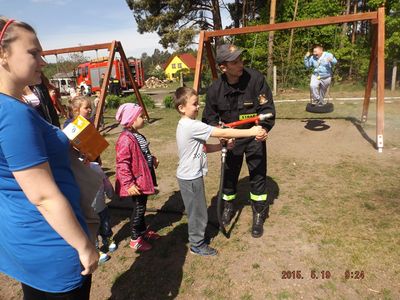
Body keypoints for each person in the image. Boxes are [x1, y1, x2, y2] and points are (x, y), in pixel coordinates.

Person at [0, 16, 98, 299]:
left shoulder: (11, 106)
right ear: (3, 54)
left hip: (24, 241)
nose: (42, 61)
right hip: (53, 243)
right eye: (33, 52)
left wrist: (61, 143)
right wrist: (84, 246)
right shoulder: (13, 114)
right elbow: (42, 195)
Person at [175, 87, 267, 255]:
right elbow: (222, 131)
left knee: (198, 209)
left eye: (198, 103)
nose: (198, 107)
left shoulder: (185, 125)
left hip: (189, 176)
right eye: (194, 104)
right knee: (199, 212)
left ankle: (197, 238)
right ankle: (197, 245)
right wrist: (251, 131)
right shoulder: (192, 125)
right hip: (190, 178)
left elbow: (201, 148)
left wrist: (220, 146)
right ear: (181, 108)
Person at [202, 44, 275, 238]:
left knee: (258, 175)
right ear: (223, 67)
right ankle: (228, 206)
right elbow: (208, 119)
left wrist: (264, 129)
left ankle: (259, 212)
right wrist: (222, 133)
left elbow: (267, 111)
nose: (240, 64)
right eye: (235, 62)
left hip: (254, 137)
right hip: (231, 140)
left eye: (240, 60)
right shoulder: (215, 90)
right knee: (229, 175)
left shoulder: (256, 80)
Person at [115, 103, 160, 252]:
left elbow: (142, 153)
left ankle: (142, 231)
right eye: (140, 116)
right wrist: (128, 184)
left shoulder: (137, 135)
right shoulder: (125, 139)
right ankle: (135, 239)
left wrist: (152, 158)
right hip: (136, 182)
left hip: (143, 177)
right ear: (131, 120)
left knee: (142, 206)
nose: (144, 118)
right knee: (139, 208)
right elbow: (122, 163)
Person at [89, 161, 117, 263]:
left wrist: (110, 193)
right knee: (92, 229)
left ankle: (107, 238)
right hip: (87, 209)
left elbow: (105, 181)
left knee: (105, 223)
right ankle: (95, 250)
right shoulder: (74, 169)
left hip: (101, 205)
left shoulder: (95, 167)